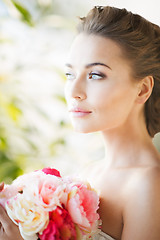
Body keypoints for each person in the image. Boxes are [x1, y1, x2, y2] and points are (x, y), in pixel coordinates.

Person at [0, 5, 160, 240]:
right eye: (70, 75)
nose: (74, 91)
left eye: (95, 75)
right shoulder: (89, 173)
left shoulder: (149, 185)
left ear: (142, 89)